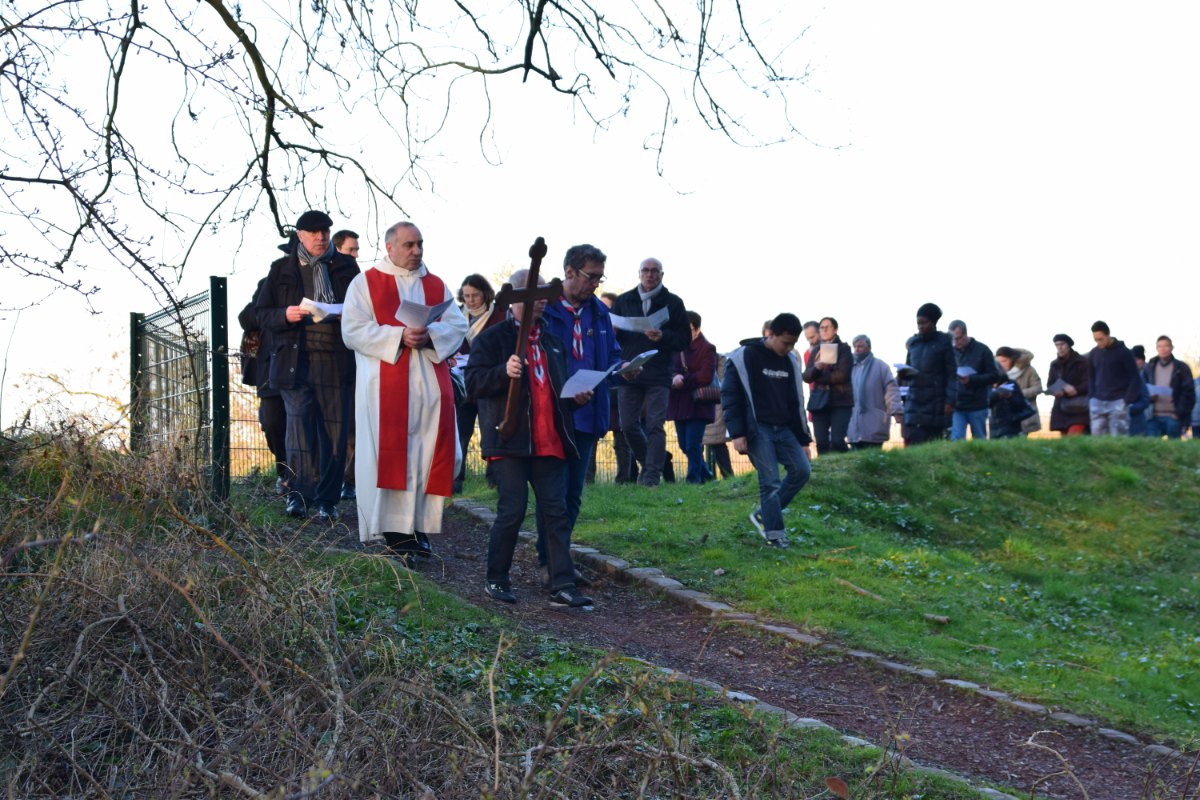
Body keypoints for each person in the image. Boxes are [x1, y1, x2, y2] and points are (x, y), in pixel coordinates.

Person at [340, 221, 467, 562]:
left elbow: (457, 324)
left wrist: (429, 336)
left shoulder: (436, 284)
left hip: (429, 387)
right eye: (409, 245)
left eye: (420, 244)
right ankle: (396, 534)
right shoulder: (365, 283)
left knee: (428, 457)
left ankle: (419, 529)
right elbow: (352, 330)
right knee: (391, 457)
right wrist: (399, 337)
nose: (417, 251)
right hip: (385, 387)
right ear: (390, 247)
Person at [466, 269, 594, 607]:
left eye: (543, 296)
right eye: (534, 296)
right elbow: (472, 384)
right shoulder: (492, 339)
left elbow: (552, 389)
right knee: (513, 509)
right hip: (508, 440)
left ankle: (562, 584)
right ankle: (496, 579)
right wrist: (501, 373)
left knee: (556, 511)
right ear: (516, 298)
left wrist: (575, 396)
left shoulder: (552, 342)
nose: (541, 303)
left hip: (548, 441)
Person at [255, 210, 359, 521]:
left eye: (325, 231)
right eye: (313, 232)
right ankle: (298, 496)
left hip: (337, 359)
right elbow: (260, 314)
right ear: (299, 235)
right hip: (293, 360)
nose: (320, 237)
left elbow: (367, 308)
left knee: (335, 434)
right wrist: (285, 314)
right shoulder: (280, 270)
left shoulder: (347, 267)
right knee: (298, 428)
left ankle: (327, 501)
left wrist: (348, 314)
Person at [538, 244, 623, 580]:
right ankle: (550, 563)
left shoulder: (599, 313)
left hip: (587, 417)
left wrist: (624, 367)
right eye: (591, 277)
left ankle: (560, 561)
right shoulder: (544, 307)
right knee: (553, 495)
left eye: (600, 279)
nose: (596, 285)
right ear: (570, 272)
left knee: (572, 495)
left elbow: (611, 355)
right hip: (553, 416)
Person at [721, 313, 813, 549]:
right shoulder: (744, 357)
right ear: (770, 334)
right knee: (770, 480)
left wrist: (804, 439)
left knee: (802, 471)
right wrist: (737, 433)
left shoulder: (790, 360)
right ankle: (775, 534)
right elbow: (730, 397)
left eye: (793, 343)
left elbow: (796, 401)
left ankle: (764, 514)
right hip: (757, 429)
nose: (789, 348)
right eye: (785, 342)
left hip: (784, 429)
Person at [611, 257, 690, 487]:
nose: (650, 274)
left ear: (662, 275)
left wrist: (663, 336)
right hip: (629, 371)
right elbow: (610, 337)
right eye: (645, 270)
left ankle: (651, 479)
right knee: (627, 424)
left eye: (655, 271)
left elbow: (684, 338)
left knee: (655, 424)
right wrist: (614, 332)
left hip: (658, 372)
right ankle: (650, 463)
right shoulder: (624, 300)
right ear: (639, 273)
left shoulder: (673, 303)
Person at [452, 274, 504, 492]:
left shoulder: (499, 316)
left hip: (487, 383)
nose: (471, 300)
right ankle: (456, 479)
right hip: (462, 381)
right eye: (466, 296)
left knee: (490, 431)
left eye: (475, 295)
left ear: (485, 294)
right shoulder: (455, 316)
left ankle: (494, 479)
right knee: (461, 432)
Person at [238, 275, 288, 496]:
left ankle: (305, 477)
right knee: (272, 423)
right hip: (270, 372)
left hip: (306, 369)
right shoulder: (270, 282)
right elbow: (247, 317)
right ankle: (285, 472)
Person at [668, 310, 718, 483]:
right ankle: (707, 474)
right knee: (684, 445)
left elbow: (706, 375)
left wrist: (684, 379)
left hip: (698, 403)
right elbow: (669, 368)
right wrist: (674, 377)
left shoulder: (707, 348)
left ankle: (693, 480)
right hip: (679, 402)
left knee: (692, 444)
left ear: (697, 329)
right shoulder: (676, 347)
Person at [902, 303, 957, 445]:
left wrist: (950, 400)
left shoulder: (944, 343)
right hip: (915, 401)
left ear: (933, 322)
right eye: (918, 323)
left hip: (936, 402)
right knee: (913, 445)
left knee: (933, 446)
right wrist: (904, 373)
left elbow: (952, 374)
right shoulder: (913, 344)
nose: (921, 326)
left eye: (924, 322)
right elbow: (908, 367)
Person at [333, 229, 361, 501]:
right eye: (351, 250)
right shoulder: (325, 276)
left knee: (354, 425)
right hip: (328, 361)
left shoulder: (361, 280)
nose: (355, 256)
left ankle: (350, 479)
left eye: (356, 251)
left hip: (355, 362)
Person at [802, 316, 853, 454]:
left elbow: (842, 375)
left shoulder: (844, 349)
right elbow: (806, 376)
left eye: (827, 327)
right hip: (819, 400)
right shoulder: (816, 351)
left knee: (837, 440)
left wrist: (818, 377)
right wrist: (817, 368)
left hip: (840, 400)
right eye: (822, 327)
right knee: (821, 443)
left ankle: (850, 461)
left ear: (835, 329)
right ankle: (826, 471)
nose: (824, 330)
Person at [846, 334, 901, 449]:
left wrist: (896, 410)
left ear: (869, 347)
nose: (857, 349)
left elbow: (891, 390)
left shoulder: (881, 366)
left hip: (874, 420)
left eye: (860, 346)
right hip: (853, 421)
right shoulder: (848, 366)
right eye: (854, 346)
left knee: (873, 458)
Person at [1086, 320, 1140, 436]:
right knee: (1097, 440)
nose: (1098, 342)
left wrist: (1126, 400)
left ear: (1108, 334)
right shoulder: (1094, 353)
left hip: (1118, 401)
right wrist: (1092, 396)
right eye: (1096, 340)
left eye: (1101, 339)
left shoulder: (1124, 353)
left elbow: (1135, 378)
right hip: (1097, 402)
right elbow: (1090, 376)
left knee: (1119, 439)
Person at [947, 320, 998, 440]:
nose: (955, 343)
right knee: (957, 438)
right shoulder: (950, 351)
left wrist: (972, 379)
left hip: (977, 404)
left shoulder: (983, 350)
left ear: (965, 334)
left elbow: (994, 375)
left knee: (979, 438)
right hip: (957, 404)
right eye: (953, 340)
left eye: (958, 338)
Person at [1143, 335, 1195, 439]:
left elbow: (1189, 393)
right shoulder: (1149, 367)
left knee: (1173, 449)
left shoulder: (1181, 367)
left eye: (1166, 346)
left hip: (1173, 416)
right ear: (1156, 348)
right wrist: (1149, 397)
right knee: (1152, 449)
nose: (1163, 349)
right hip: (1153, 416)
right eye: (1160, 346)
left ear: (1171, 348)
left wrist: (1178, 413)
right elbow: (1143, 388)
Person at [1046, 334, 1090, 436]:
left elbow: (1088, 383)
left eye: (1062, 344)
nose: (1059, 347)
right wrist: (1057, 390)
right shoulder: (1054, 364)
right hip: (1061, 408)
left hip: (1079, 408)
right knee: (1065, 443)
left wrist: (1075, 389)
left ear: (1069, 345)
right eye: (1057, 345)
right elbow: (1050, 384)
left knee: (1074, 437)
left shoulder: (1082, 362)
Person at [994, 346, 1043, 436]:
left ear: (1013, 360)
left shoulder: (1029, 370)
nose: (1001, 364)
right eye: (998, 361)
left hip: (1022, 414)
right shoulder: (994, 375)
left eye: (1004, 361)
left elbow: (1038, 388)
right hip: (1000, 418)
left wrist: (1017, 393)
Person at [703, 353, 735, 479]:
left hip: (711, 406)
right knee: (718, 446)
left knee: (714, 445)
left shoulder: (716, 360)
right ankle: (727, 476)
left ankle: (705, 477)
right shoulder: (721, 363)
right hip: (713, 406)